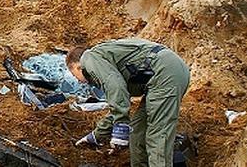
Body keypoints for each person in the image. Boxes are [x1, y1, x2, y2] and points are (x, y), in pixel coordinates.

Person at [67, 38, 190, 167]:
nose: (79, 81)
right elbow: (119, 103)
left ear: (77, 66)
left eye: (75, 76)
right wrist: (97, 135)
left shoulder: (88, 59)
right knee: (137, 131)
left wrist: (121, 125)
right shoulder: (103, 60)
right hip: (161, 76)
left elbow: (115, 85)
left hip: (165, 73)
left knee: (158, 135)